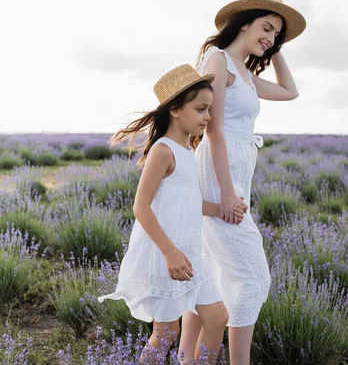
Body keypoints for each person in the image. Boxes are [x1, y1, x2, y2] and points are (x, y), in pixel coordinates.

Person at [178, 0, 306, 364]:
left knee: (214, 275)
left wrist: (274, 46)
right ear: (243, 22)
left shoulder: (246, 72)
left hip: (236, 169)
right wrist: (229, 194)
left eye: (277, 34)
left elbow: (290, 91)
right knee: (252, 279)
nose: (270, 37)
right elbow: (214, 131)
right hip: (220, 172)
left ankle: (191, 360)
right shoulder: (218, 60)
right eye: (265, 27)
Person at [98, 64, 246, 364]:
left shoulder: (187, 149)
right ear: (176, 109)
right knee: (166, 332)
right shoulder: (163, 151)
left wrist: (221, 209)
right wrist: (170, 253)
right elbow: (141, 206)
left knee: (217, 318)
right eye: (201, 109)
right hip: (165, 253)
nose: (207, 117)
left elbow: (188, 200)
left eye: (209, 109)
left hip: (190, 252)